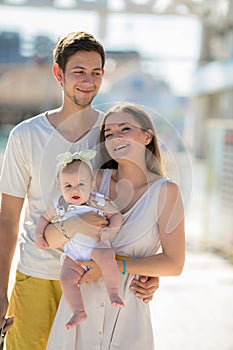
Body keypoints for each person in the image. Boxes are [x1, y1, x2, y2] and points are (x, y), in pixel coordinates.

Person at [0, 31, 158, 350]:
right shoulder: (25, 136)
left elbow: (135, 204)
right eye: (79, 72)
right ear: (59, 74)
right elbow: (7, 220)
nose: (88, 81)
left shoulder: (112, 135)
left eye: (96, 72)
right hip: (37, 277)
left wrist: (146, 270)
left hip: (95, 279)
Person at [45, 103, 185, 350]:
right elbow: (48, 238)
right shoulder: (92, 181)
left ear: (147, 136)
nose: (115, 137)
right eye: (108, 134)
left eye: (125, 129)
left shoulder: (166, 191)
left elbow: (174, 263)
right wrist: (77, 224)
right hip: (80, 312)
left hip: (128, 315)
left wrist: (114, 267)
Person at [35, 150, 124, 330]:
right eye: (68, 186)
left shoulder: (97, 201)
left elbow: (116, 215)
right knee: (66, 278)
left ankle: (113, 292)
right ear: (60, 188)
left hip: (95, 246)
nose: (74, 190)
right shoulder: (60, 204)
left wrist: (110, 230)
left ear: (91, 185)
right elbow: (43, 218)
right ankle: (78, 311)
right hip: (73, 253)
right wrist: (38, 235)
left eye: (80, 184)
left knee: (107, 257)